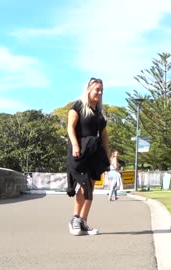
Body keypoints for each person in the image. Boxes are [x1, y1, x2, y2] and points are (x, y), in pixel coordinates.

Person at [66, 77, 110, 236]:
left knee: (90, 187)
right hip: (80, 150)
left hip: (95, 152)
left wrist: (107, 154)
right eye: (97, 89)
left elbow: (104, 135)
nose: (99, 92)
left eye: (101, 90)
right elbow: (70, 127)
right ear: (89, 89)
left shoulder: (99, 112)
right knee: (84, 185)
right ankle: (75, 219)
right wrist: (75, 145)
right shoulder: (77, 106)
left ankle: (83, 221)